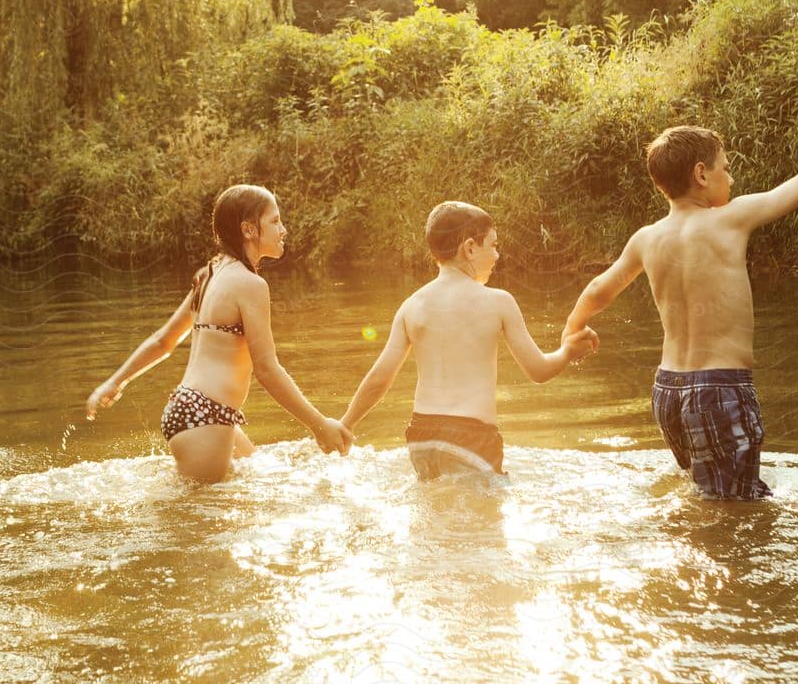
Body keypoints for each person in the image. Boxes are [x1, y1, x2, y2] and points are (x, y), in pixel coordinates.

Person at [561, 120, 798, 500]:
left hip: (668, 392)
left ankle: (689, 553)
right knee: (737, 508)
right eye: (725, 168)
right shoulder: (731, 218)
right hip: (719, 389)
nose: (730, 176)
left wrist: (572, 329)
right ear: (701, 174)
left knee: (704, 493)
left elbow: (599, 289)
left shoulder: (646, 239)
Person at [85, 184, 352, 483]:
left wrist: (114, 382)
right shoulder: (250, 285)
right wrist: (318, 424)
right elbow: (266, 369)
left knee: (258, 479)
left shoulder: (209, 274)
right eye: (275, 221)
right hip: (206, 416)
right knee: (206, 523)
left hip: (189, 408)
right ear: (249, 230)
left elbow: (164, 341)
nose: (284, 229)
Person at [340, 201, 599, 480]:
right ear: (471, 247)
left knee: (434, 514)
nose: (497, 255)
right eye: (493, 244)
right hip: (472, 436)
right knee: (485, 518)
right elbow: (538, 371)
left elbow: (380, 377)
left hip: (421, 436)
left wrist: (346, 423)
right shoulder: (498, 302)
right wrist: (568, 351)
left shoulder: (411, 306)